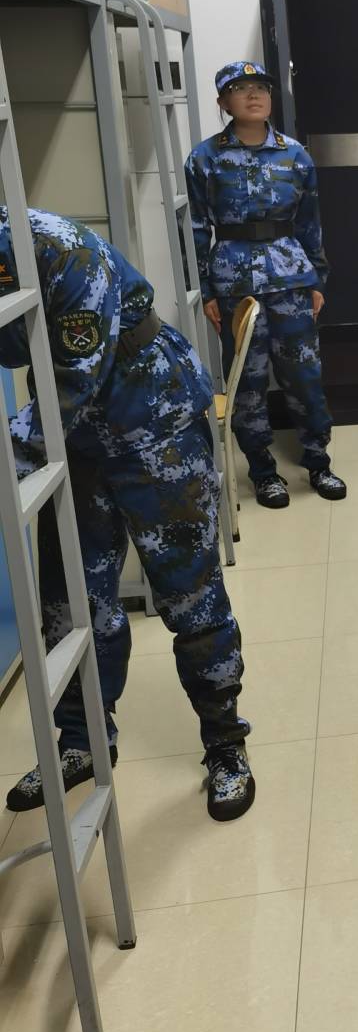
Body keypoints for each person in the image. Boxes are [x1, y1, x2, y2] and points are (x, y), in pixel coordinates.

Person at [1, 208, 255, 821]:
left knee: (189, 597)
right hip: (76, 443)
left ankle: (226, 744)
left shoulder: (58, 249)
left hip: (154, 427)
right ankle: (82, 742)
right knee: (71, 604)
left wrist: (10, 452)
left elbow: (73, 378)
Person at [184, 61, 346, 509]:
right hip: (235, 283)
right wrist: (206, 290)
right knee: (248, 382)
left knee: (304, 376)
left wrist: (317, 279)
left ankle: (318, 462)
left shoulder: (295, 155)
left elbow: (311, 222)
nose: (253, 95)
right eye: (240, 88)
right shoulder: (204, 159)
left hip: (291, 277)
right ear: (223, 102)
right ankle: (263, 472)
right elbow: (195, 228)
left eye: (260, 87)